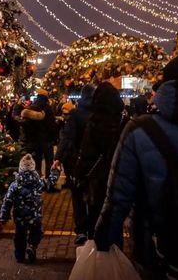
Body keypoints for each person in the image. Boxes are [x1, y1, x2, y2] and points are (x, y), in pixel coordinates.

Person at [94, 55, 178, 279]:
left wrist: (104, 237)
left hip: (153, 247)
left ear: (165, 88)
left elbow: (118, 195)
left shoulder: (138, 131)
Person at [71, 82, 123, 242]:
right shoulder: (124, 121)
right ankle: (115, 255)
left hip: (98, 181)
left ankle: (97, 255)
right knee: (115, 223)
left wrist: (78, 174)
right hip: (118, 180)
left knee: (96, 220)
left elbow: (87, 154)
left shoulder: (95, 123)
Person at [53, 84, 96, 244]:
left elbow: (67, 138)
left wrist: (58, 158)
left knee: (77, 195)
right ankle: (92, 228)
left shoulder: (75, 114)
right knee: (93, 195)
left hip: (76, 162)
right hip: (95, 163)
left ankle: (81, 230)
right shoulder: (98, 114)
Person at [0, 154, 61, 263]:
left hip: (20, 217)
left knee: (20, 236)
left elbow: (7, 201)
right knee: (36, 232)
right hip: (34, 216)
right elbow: (50, 183)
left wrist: (4, 216)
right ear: (33, 169)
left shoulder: (15, 185)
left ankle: (20, 256)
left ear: (20, 169)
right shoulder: (38, 183)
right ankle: (32, 246)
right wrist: (54, 171)